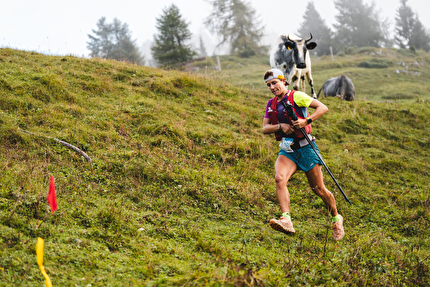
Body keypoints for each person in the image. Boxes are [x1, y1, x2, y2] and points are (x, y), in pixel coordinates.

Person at [262, 68, 345, 241]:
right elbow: (265, 128)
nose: (272, 87)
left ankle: (337, 219)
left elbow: (323, 107)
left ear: (284, 81)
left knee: (319, 190)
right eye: (269, 85)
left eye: (274, 83)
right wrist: (280, 127)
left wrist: (305, 121)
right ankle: (286, 219)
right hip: (288, 150)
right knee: (279, 178)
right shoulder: (271, 104)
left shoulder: (297, 96)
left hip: (306, 147)